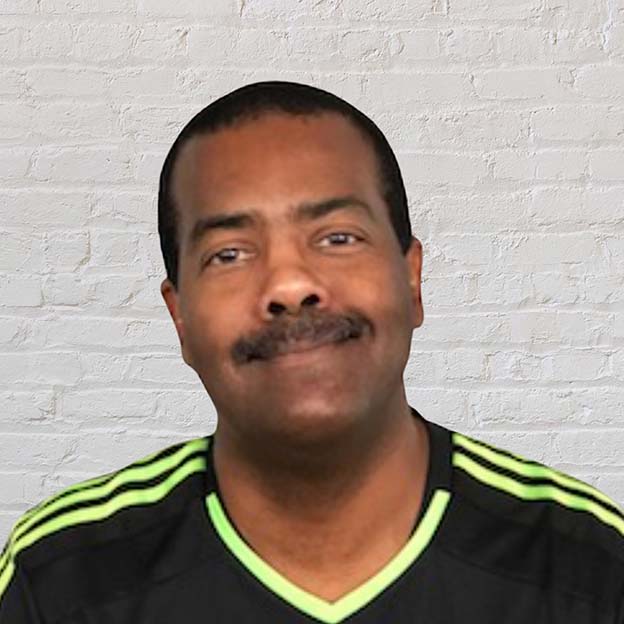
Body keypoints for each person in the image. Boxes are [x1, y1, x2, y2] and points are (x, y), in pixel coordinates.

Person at [0, 80, 622, 623]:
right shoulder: (58, 579)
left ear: (412, 281)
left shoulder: (587, 567)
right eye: (229, 254)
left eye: (337, 237)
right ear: (180, 317)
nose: (291, 284)